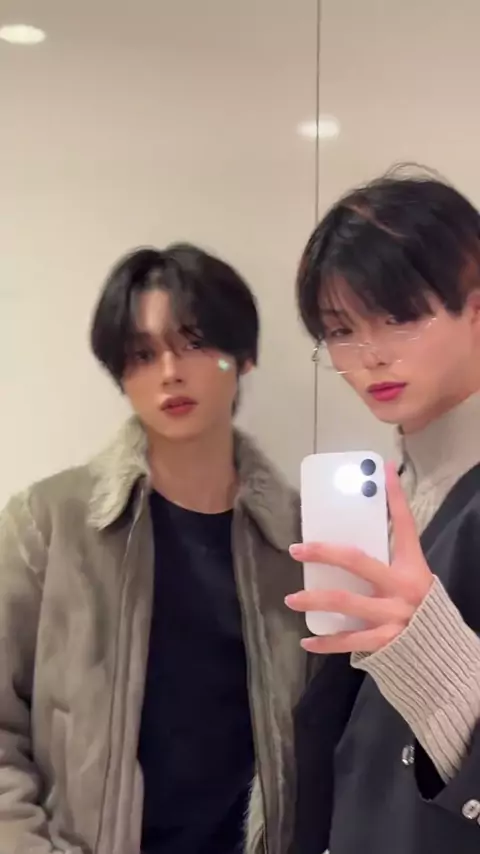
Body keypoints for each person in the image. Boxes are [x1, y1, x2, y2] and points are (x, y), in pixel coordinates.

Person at [0, 243, 309, 854]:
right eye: (142, 354)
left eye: (194, 343)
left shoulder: (298, 535)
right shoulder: (47, 525)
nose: (170, 371)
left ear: (243, 356)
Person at [286, 170, 480, 854]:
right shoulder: (390, 495)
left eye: (401, 316)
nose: (370, 355)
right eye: (341, 330)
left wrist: (433, 656)